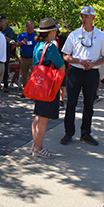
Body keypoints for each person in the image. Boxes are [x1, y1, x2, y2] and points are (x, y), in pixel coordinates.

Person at [61, 6, 104, 146]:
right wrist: (79, 61)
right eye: (82, 16)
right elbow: (66, 55)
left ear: (93, 17)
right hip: (76, 72)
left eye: (86, 16)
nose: (83, 19)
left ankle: (85, 133)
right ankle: (68, 133)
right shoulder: (74, 34)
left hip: (92, 73)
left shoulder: (101, 35)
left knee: (89, 104)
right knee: (71, 104)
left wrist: (94, 63)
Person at [31, 18, 65, 159]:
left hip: (38, 85)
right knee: (44, 119)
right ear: (51, 32)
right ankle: (38, 147)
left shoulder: (38, 45)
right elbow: (61, 65)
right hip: (48, 86)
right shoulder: (50, 47)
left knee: (38, 116)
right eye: (55, 30)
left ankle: (35, 146)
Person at [15, 21, 37, 92]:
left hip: (32, 58)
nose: (31, 29)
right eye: (29, 27)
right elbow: (16, 44)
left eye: (32, 28)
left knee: (32, 74)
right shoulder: (21, 35)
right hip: (23, 59)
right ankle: (24, 89)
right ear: (26, 28)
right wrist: (21, 42)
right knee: (24, 75)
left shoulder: (35, 36)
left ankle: (31, 90)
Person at [52, 29, 68, 110]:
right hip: (64, 61)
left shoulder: (55, 39)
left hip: (57, 61)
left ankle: (55, 100)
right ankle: (62, 101)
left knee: (56, 82)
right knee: (63, 84)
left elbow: (55, 48)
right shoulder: (65, 39)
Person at [0, 15, 14, 93]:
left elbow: (9, 40)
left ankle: (5, 85)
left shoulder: (9, 30)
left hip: (6, 49)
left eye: (1, 21)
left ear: (5, 21)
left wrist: (2, 35)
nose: (0, 22)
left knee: (5, 67)